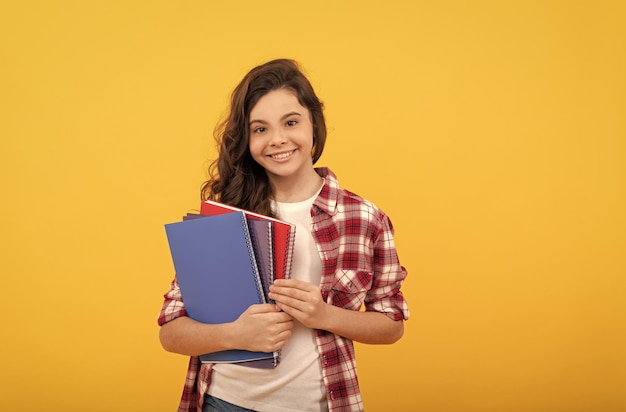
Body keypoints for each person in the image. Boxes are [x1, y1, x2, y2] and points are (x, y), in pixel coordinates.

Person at [158, 58, 409, 412]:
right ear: (246, 139)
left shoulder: (363, 217)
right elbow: (170, 332)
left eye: (291, 122)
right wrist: (235, 335)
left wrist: (324, 315)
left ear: (314, 125)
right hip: (225, 402)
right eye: (259, 129)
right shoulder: (222, 217)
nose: (277, 140)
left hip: (317, 404)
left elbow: (391, 324)